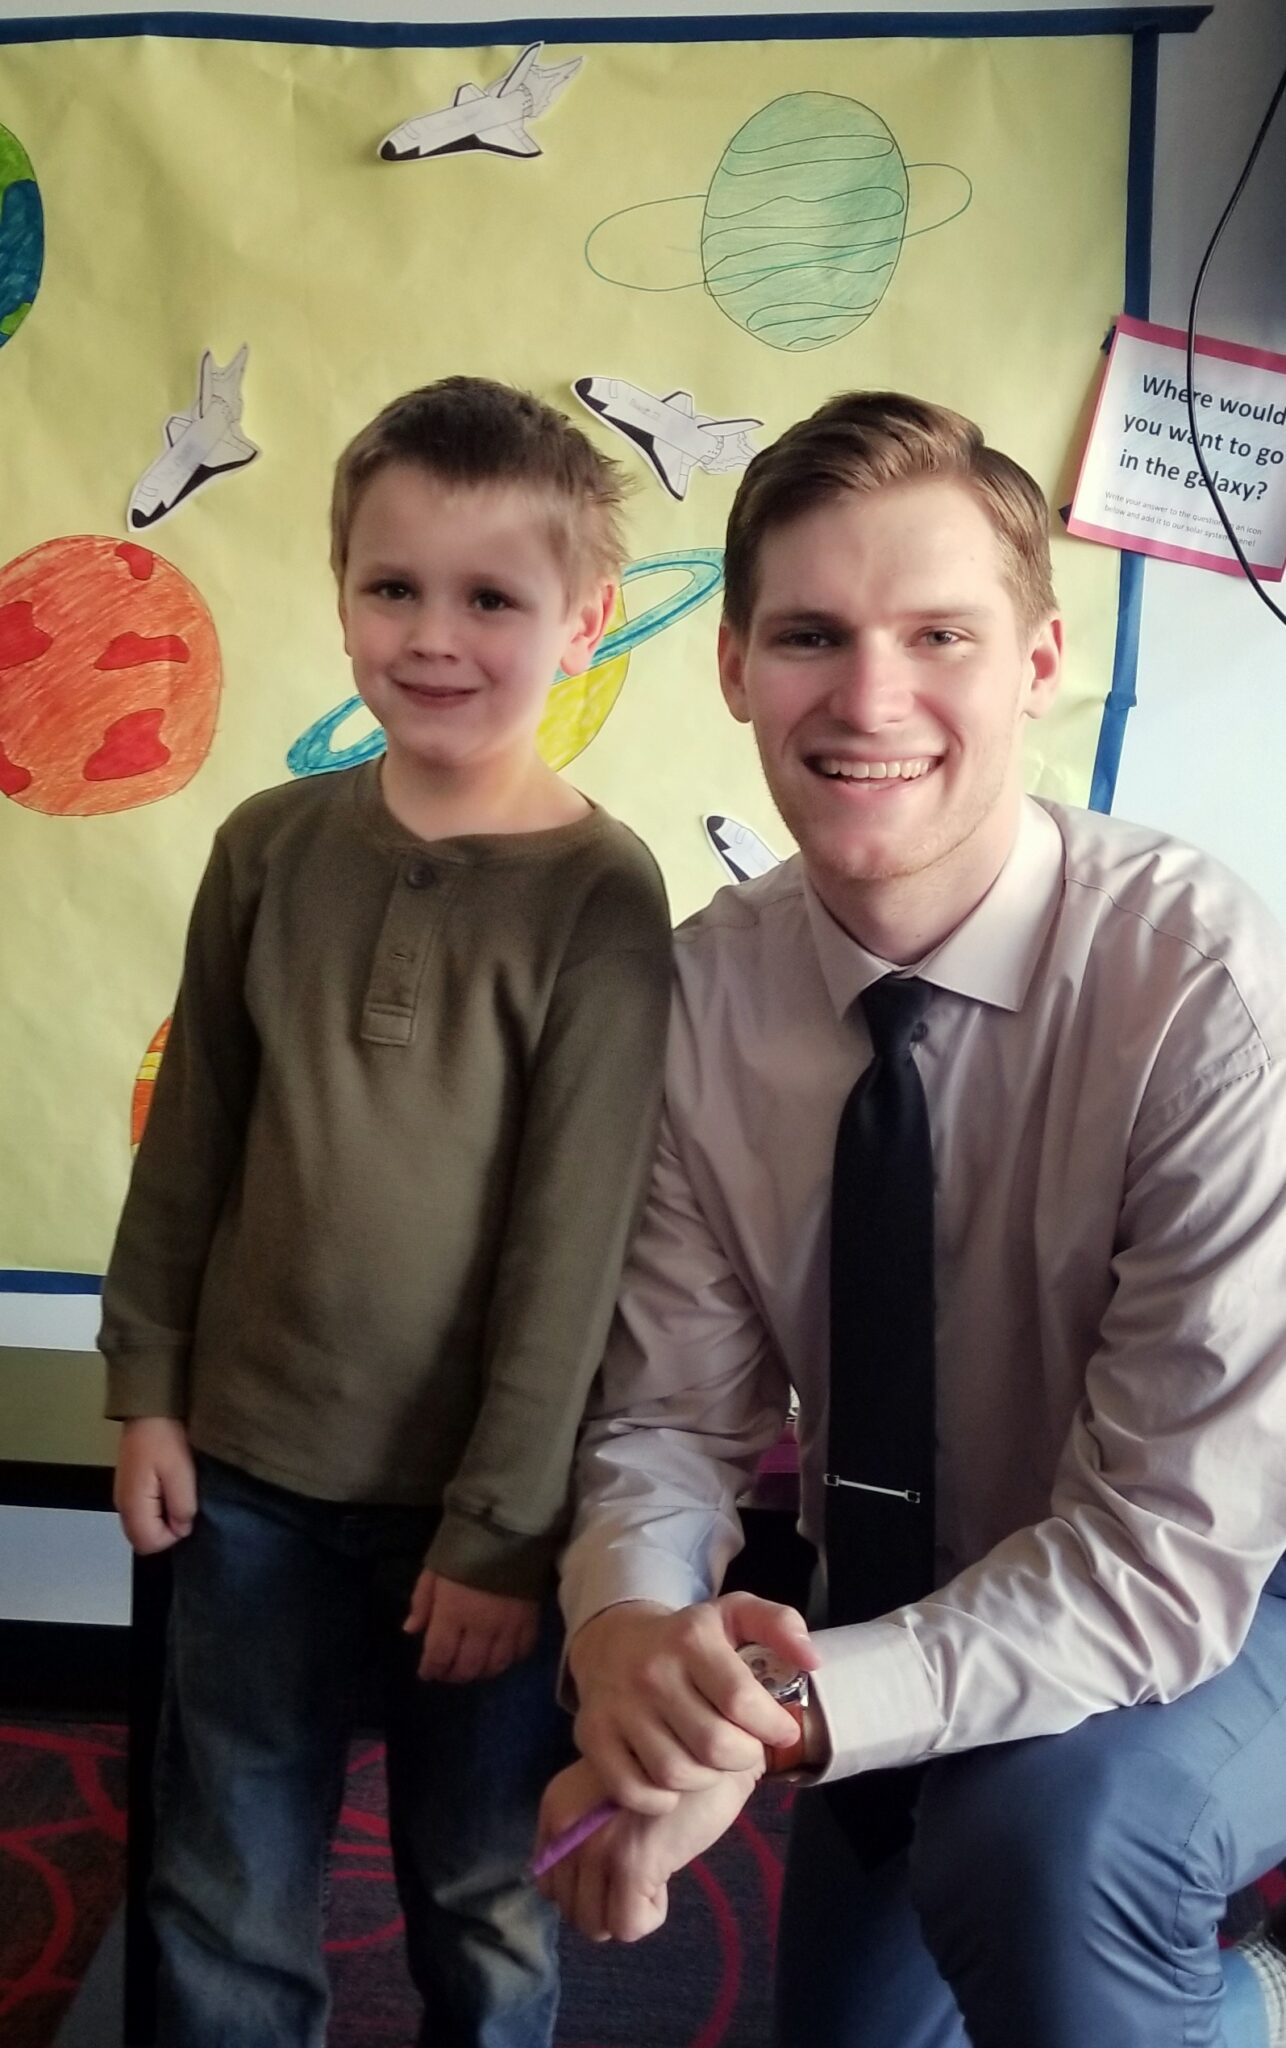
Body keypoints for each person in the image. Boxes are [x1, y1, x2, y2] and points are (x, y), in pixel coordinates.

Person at [535, 391, 1286, 2048]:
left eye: (938, 634)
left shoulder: (1198, 987)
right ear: (732, 666)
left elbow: (1166, 1553)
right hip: (916, 1586)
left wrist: (780, 1719)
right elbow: (667, 1419)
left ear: (1036, 662)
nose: (870, 698)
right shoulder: (698, 1003)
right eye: (810, 634)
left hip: (1238, 1570)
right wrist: (638, 1648)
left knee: (1045, 1858)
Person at [99, 375, 673, 2048]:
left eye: (490, 598)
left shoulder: (603, 898)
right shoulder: (266, 847)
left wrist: (500, 1529)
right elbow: (192, 1141)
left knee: (481, 1892)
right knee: (223, 1875)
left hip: (473, 1520)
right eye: (393, 587)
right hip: (249, 1478)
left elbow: (574, 1246)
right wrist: (147, 1389)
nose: (433, 637)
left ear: (584, 622)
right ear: (342, 592)